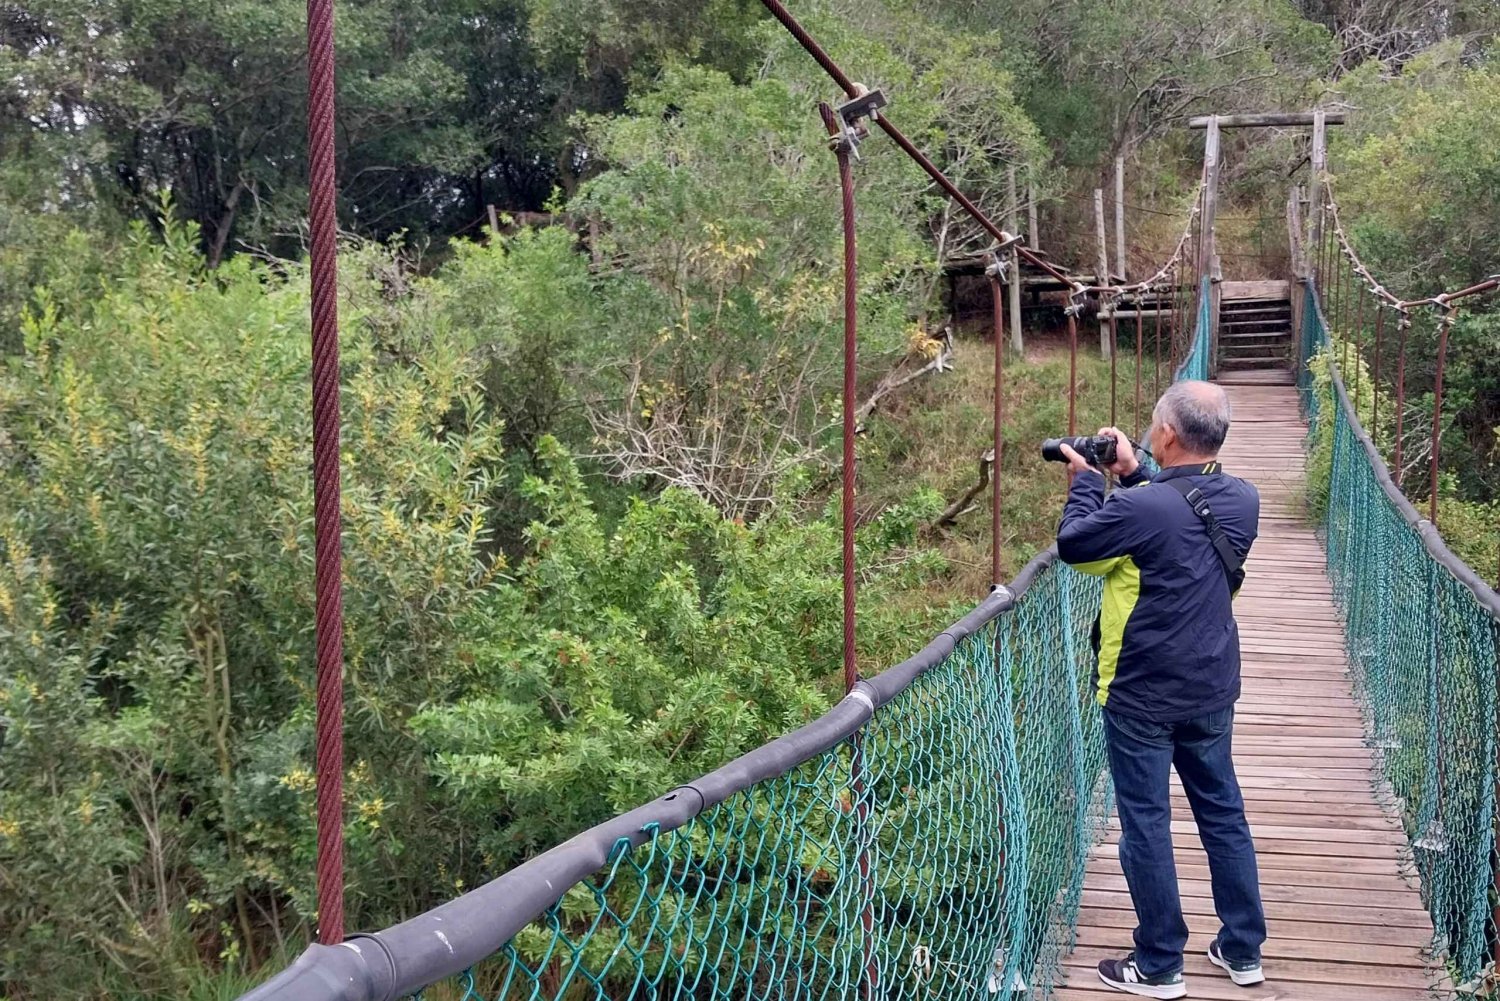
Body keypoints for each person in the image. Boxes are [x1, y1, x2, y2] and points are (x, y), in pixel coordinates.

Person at [1055, 380, 1266, 999]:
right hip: (1211, 687)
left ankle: (1159, 962)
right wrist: (1139, 470)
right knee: (1222, 811)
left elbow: (1076, 544)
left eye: (1153, 425)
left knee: (1145, 821)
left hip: (1142, 692)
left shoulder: (1141, 509)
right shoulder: (1244, 499)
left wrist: (1090, 478)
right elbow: (1178, 512)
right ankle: (1243, 948)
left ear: (1168, 434)